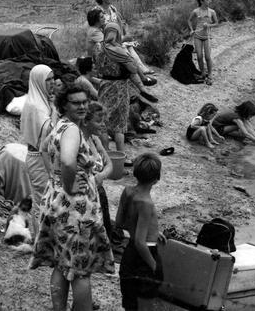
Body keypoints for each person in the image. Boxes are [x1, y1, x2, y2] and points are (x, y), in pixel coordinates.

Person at [30, 85, 115, 311]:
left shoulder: (61, 124)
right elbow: (68, 161)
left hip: (57, 201)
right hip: (75, 210)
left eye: (84, 102)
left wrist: (55, 177)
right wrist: (68, 184)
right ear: (64, 105)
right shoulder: (73, 131)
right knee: (80, 270)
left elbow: (45, 148)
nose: (82, 106)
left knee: (61, 263)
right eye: (76, 103)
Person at [95, 21, 158, 158]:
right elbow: (132, 69)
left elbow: (98, 69)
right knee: (120, 126)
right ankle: (121, 156)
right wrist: (141, 86)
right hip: (121, 88)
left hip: (105, 86)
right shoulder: (120, 51)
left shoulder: (99, 49)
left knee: (103, 123)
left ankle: (105, 156)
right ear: (118, 34)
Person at [117, 153, 166, 311]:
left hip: (129, 254)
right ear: (156, 179)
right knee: (146, 301)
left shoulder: (127, 191)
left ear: (135, 173)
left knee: (130, 301)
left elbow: (119, 223)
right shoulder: (146, 203)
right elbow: (140, 242)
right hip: (144, 255)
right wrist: (154, 266)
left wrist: (151, 230)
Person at [94, 0, 155, 75]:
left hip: (117, 35)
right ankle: (138, 71)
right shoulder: (97, 11)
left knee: (129, 46)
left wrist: (125, 32)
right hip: (107, 38)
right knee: (124, 47)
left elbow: (121, 21)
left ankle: (141, 68)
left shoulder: (112, 8)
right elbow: (96, 26)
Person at [20, 64, 55, 210]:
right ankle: (39, 233)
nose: (52, 82)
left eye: (53, 78)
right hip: (39, 159)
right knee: (43, 203)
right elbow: (52, 130)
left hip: (42, 156)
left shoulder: (40, 100)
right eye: (48, 80)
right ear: (39, 81)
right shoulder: (36, 106)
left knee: (43, 201)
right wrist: (53, 107)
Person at [79, 101, 114, 239]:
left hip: (98, 192)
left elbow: (110, 164)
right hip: (84, 198)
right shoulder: (77, 142)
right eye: (99, 121)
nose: (103, 124)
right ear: (86, 122)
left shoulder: (94, 139)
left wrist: (101, 176)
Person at [188, 0, 218, 86]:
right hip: (197, 36)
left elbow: (216, 23)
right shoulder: (196, 11)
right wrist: (191, 29)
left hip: (207, 37)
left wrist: (209, 25)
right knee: (199, 56)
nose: (210, 1)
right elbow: (189, 20)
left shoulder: (212, 12)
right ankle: (202, 73)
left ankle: (210, 75)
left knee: (208, 57)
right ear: (201, 1)